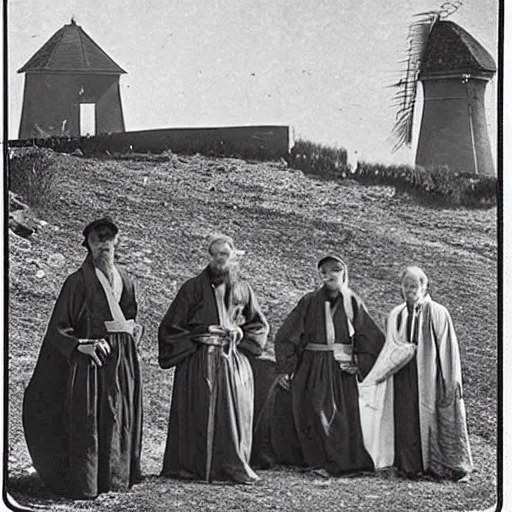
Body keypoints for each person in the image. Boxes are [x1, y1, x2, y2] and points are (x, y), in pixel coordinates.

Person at [23, 217, 143, 499]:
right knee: (91, 419)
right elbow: (59, 328)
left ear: (117, 242)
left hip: (121, 361)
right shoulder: (77, 282)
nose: (104, 245)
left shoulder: (126, 280)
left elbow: (130, 315)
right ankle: (87, 481)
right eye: (97, 240)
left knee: (117, 415)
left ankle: (116, 478)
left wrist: (133, 332)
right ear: (88, 245)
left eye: (108, 239)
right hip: (91, 362)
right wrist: (81, 345)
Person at [255, 254, 385, 476]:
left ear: (344, 273)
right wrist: (288, 368)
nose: (330, 275)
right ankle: (316, 461)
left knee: (339, 417)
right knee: (312, 412)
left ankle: (339, 462)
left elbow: (371, 338)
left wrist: (359, 363)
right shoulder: (309, 301)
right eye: (324, 271)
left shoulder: (352, 302)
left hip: (339, 370)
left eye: (335, 270)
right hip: (311, 367)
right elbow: (288, 334)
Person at [158, 234, 269, 484]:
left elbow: (259, 325)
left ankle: (229, 465)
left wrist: (240, 333)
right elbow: (171, 327)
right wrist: (201, 333)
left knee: (232, 416)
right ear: (209, 257)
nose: (220, 259)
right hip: (199, 361)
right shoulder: (192, 287)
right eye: (215, 254)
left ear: (233, 257)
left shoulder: (243, 289)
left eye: (225, 254)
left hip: (232, 362)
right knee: (200, 411)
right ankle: (193, 466)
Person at [363, 266, 473, 481]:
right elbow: (390, 346)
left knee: (433, 416)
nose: (410, 290)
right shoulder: (397, 314)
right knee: (405, 418)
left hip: (430, 376)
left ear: (424, 287)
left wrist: (450, 381)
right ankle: (408, 466)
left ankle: (441, 466)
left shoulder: (438, 312)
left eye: (414, 285)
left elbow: (448, 350)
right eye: (406, 285)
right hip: (402, 376)